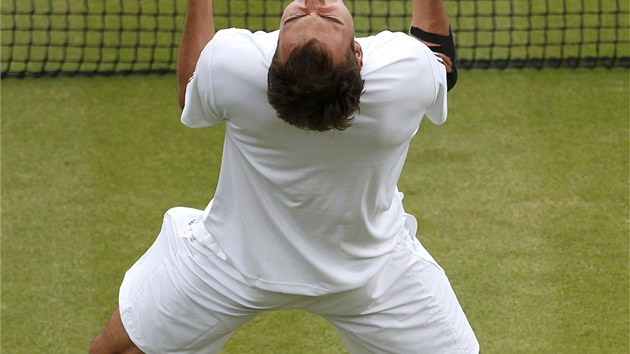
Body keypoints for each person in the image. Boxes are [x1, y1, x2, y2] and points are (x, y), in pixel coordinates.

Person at [89, 0, 478, 352]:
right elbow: (439, 58)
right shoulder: (404, 74)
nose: (312, 4)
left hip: (228, 263)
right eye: (320, 15)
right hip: (372, 275)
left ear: (271, 62)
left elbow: (191, 86)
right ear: (358, 54)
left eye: (308, 16)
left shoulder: (232, 66)